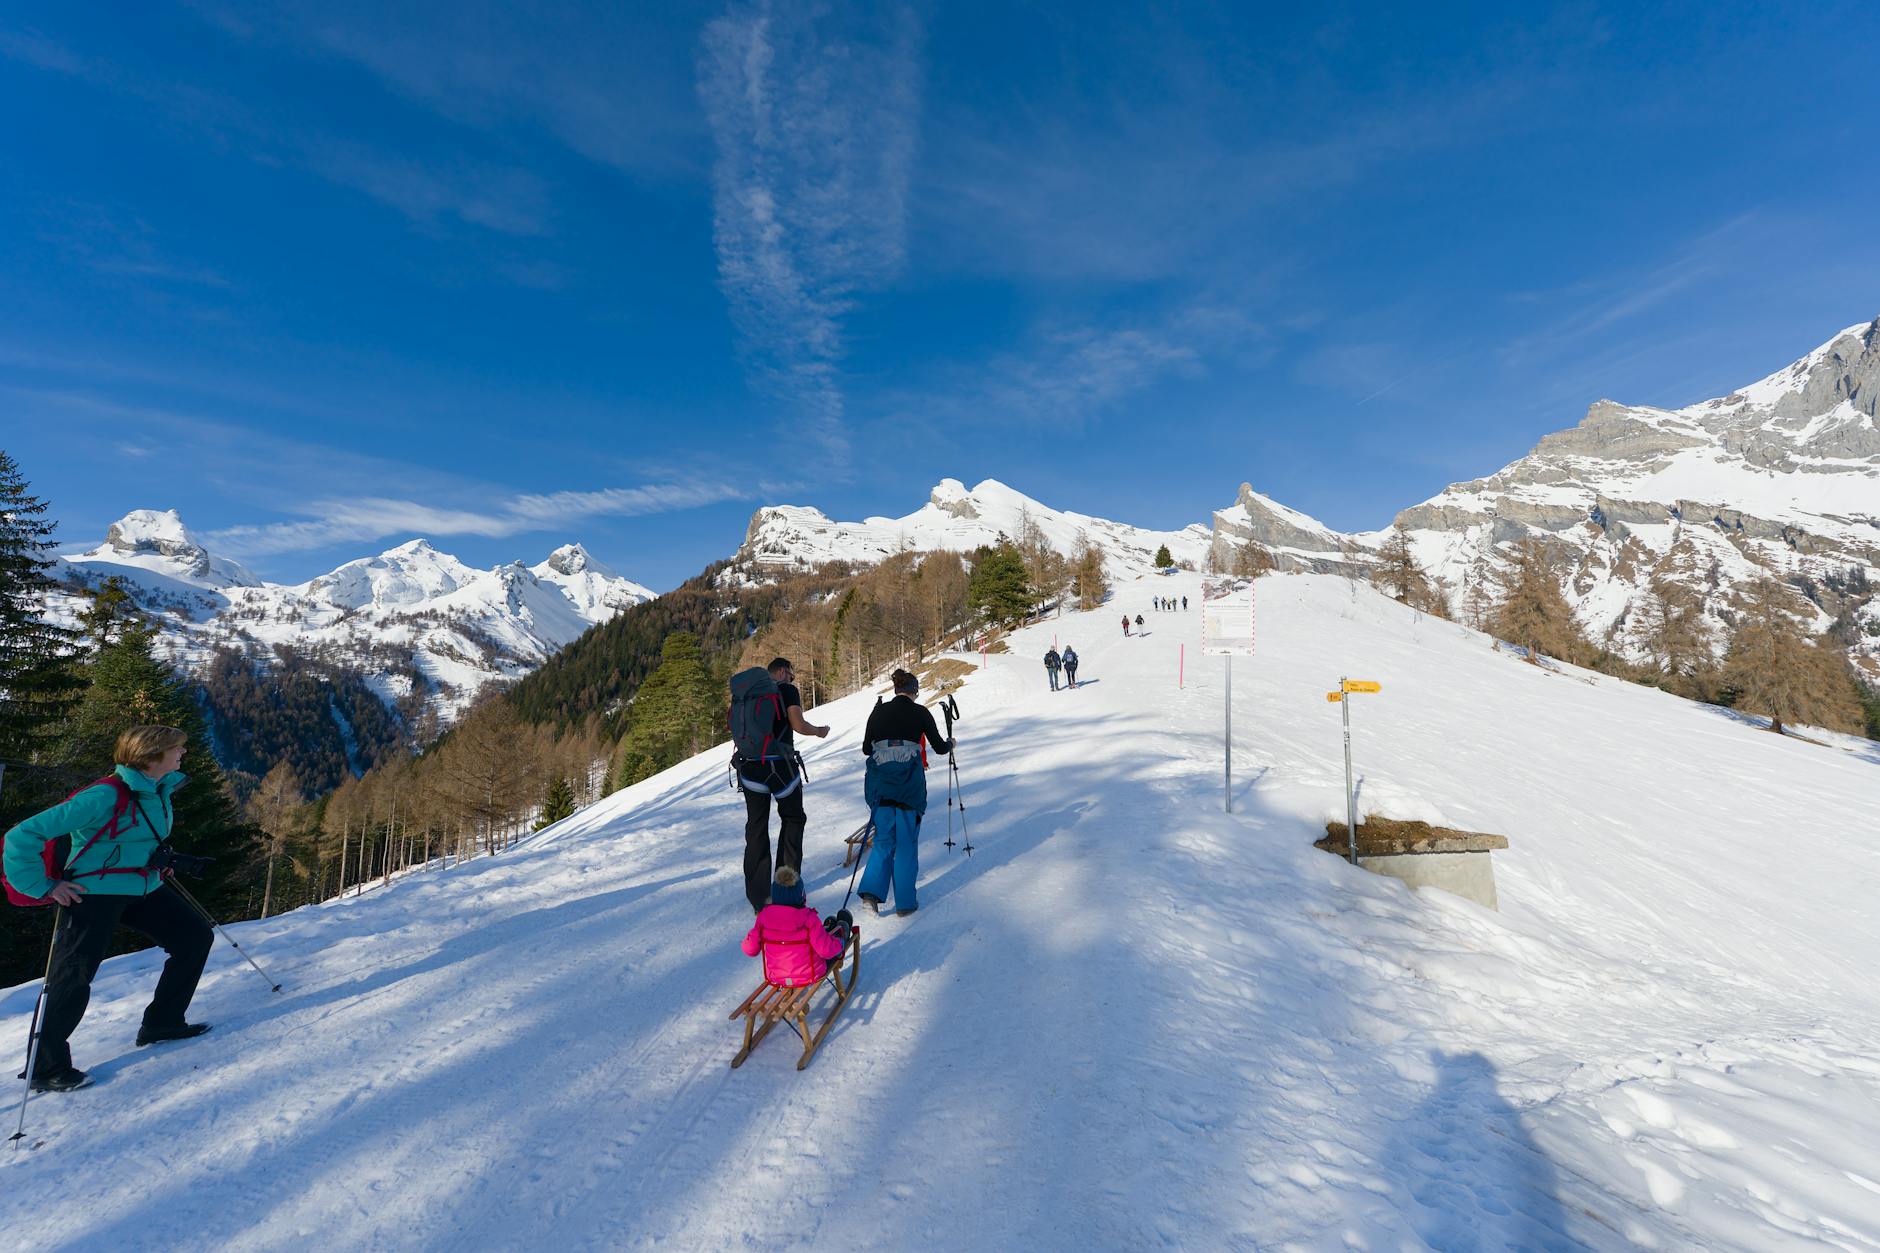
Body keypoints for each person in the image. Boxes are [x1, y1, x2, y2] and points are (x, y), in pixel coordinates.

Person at [2, 725, 214, 1093]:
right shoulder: (103, 795)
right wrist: (44, 886)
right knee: (73, 973)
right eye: (177, 748)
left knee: (194, 937)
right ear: (151, 756)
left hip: (142, 884)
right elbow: (23, 835)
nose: (183, 753)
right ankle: (46, 1067)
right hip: (93, 892)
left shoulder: (159, 789)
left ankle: (162, 1023)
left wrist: (157, 860)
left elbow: (133, 837)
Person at [857, 668, 954, 916]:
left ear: (896, 689)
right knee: (907, 843)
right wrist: (951, 743)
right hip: (909, 786)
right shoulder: (920, 712)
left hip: (880, 785)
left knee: (883, 840)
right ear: (914, 691)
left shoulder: (878, 712)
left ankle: (871, 895)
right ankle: (905, 903)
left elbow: (867, 749)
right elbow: (940, 748)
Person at [737, 657, 829, 914]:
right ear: (780, 671)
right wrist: (819, 731)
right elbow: (798, 724)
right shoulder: (786, 689)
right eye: (791, 673)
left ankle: (759, 898)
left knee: (756, 827)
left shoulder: (749, 694)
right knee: (793, 819)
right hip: (780, 767)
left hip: (750, 767)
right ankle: (785, 890)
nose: (792, 679)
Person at [741, 866, 852, 988]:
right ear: (801, 895)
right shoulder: (808, 918)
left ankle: (828, 928)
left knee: (817, 934)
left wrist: (753, 934)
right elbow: (825, 951)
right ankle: (842, 929)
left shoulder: (763, 918)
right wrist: (840, 944)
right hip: (810, 975)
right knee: (837, 934)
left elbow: (749, 950)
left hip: (777, 976)